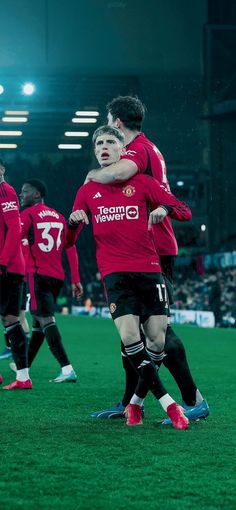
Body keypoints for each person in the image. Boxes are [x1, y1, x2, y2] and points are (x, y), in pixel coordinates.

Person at [86, 96, 209, 424]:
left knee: (159, 331)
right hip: (140, 248)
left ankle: (193, 399)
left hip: (149, 248)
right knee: (131, 330)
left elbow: (117, 175)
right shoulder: (146, 147)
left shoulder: (136, 150)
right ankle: (129, 401)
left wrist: (94, 177)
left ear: (117, 122)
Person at [68, 125, 192, 429]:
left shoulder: (144, 183)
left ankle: (135, 404)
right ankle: (170, 404)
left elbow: (184, 210)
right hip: (114, 273)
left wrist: (164, 208)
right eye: (99, 143)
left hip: (149, 269)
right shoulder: (86, 191)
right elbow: (69, 242)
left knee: (157, 342)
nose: (105, 147)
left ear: (123, 151)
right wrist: (72, 221)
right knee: (129, 338)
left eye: (111, 141)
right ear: (95, 151)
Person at [18, 179, 82, 382]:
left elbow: (13, 239)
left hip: (37, 274)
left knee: (45, 320)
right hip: (57, 277)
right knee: (38, 322)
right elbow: (70, 247)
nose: (21, 195)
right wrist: (76, 279)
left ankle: (66, 367)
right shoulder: (59, 216)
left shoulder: (27, 215)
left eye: (25, 191)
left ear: (36, 195)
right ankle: (24, 367)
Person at [0, 158, 30, 389]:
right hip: (9, 266)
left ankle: (23, 376)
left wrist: (2, 262)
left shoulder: (6, 191)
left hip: (8, 267)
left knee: (11, 320)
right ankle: (22, 377)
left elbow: (14, 230)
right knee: (10, 320)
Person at [0, 282, 30, 360]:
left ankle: (11, 349)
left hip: (12, 281)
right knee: (21, 317)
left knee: (7, 316)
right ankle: (24, 350)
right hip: (22, 280)